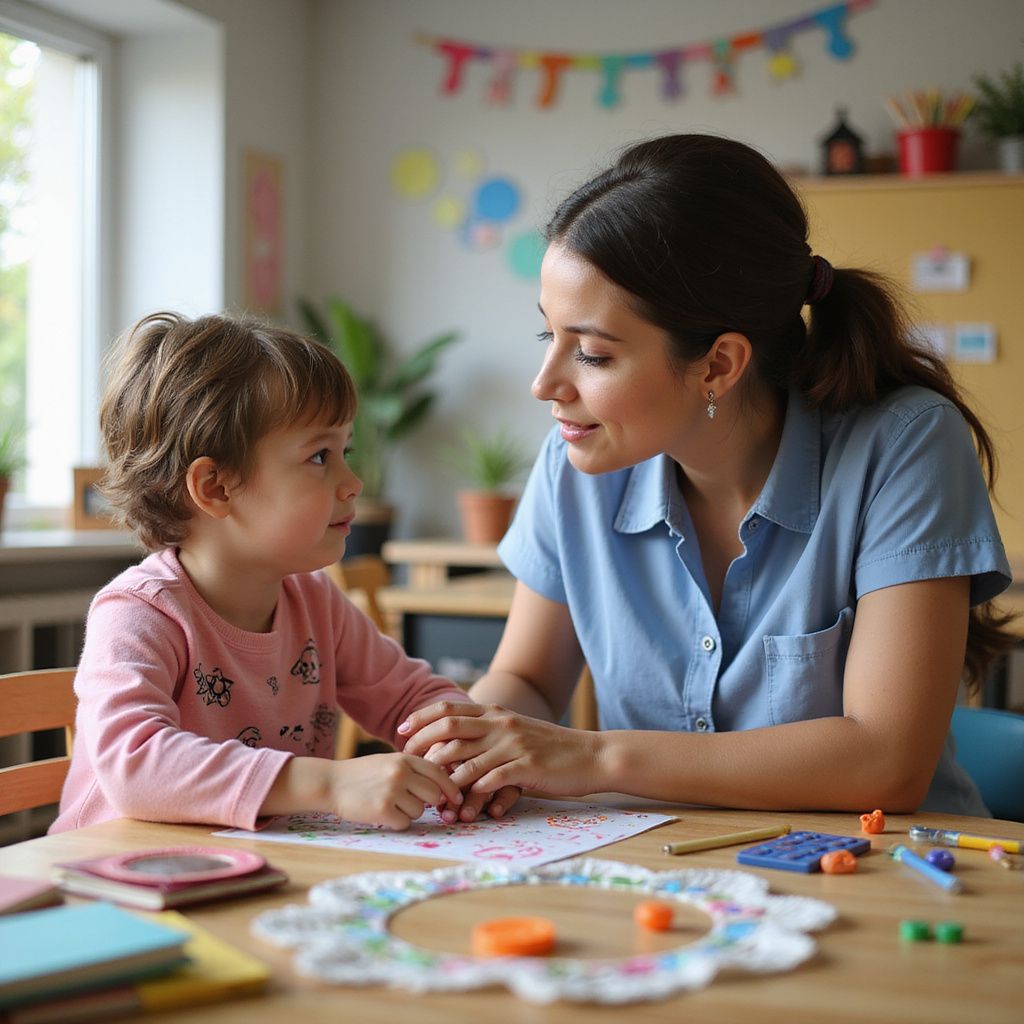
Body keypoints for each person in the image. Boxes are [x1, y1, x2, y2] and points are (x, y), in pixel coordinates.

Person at [400, 133, 1015, 819]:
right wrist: (472, 745)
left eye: (594, 355)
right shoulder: (573, 465)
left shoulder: (905, 445)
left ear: (719, 365)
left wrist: (593, 757)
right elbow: (528, 679)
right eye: (551, 337)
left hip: (888, 884)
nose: (546, 385)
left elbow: (886, 761)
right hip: (660, 875)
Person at [51, 312, 470, 834]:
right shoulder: (140, 613)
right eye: (320, 456)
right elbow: (133, 764)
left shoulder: (317, 602)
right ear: (216, 488)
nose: (353, 482)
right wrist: (330, 784)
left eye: (346, 451)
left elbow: (411, 698)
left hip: (254, 871)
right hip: (115, 885)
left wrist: (472, 751)